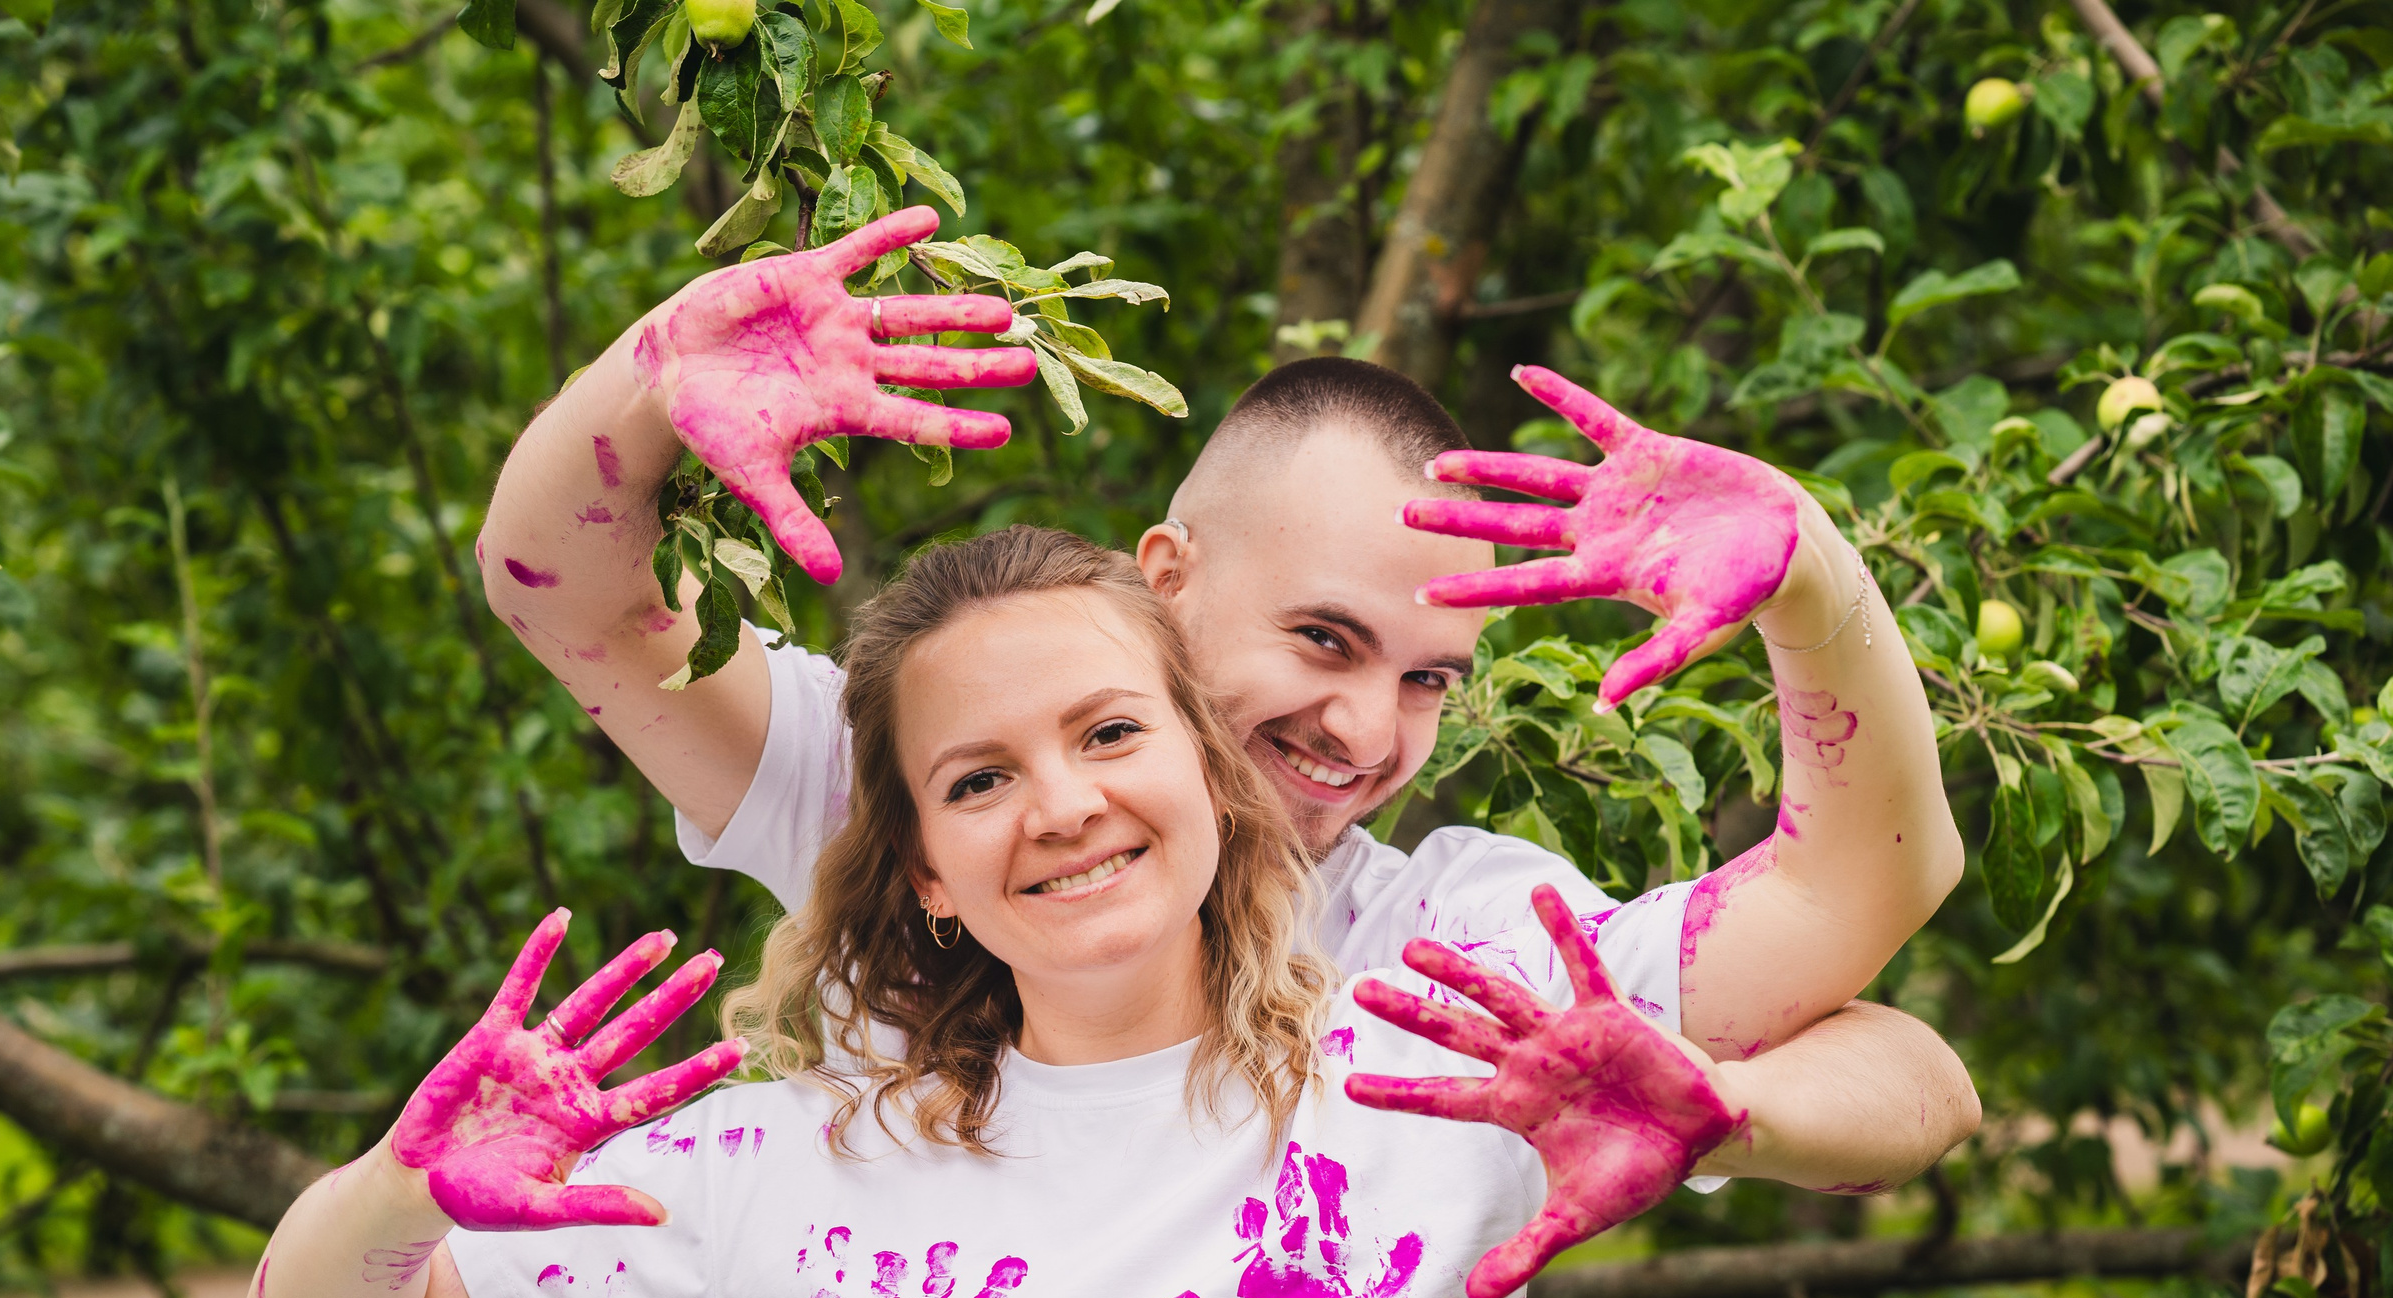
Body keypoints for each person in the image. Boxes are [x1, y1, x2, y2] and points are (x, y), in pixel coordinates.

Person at [244, 529, 1971, 1298]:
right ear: (921, 866)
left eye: (1108, 732)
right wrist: (398, 1189)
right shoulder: (801, 1162)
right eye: (979, 779)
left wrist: (1811, 582)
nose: (1060, 807)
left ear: (1210, 775)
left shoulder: (1442, 1051)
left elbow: (1860, 898)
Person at [477, 206, 1972, 1186]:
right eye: (1323, 641)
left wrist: (1813, 583)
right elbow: (570, 591)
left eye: (1429, 681)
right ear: (1170, 575)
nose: (1370, 732)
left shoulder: (1439, 948)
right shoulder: (917, 787)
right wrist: (651, 379)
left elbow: (1859, 909)